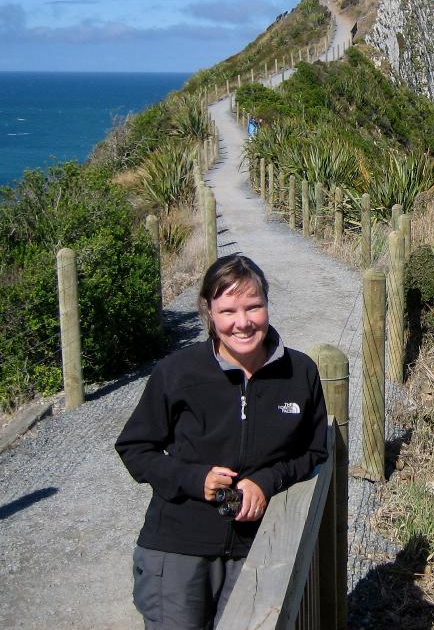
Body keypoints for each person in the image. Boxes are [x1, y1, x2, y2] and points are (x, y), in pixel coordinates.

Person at [116, 254, 328, 629]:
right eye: (228, 310)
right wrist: (193, 478)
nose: (243, 322)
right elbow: (135, 448)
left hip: (258, 548)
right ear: (208, 312)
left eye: (254, 307)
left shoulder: (301, 372)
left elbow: (313, 450)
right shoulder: (177, 372)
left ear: (267, 305)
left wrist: (267, 481)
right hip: (178, 548)